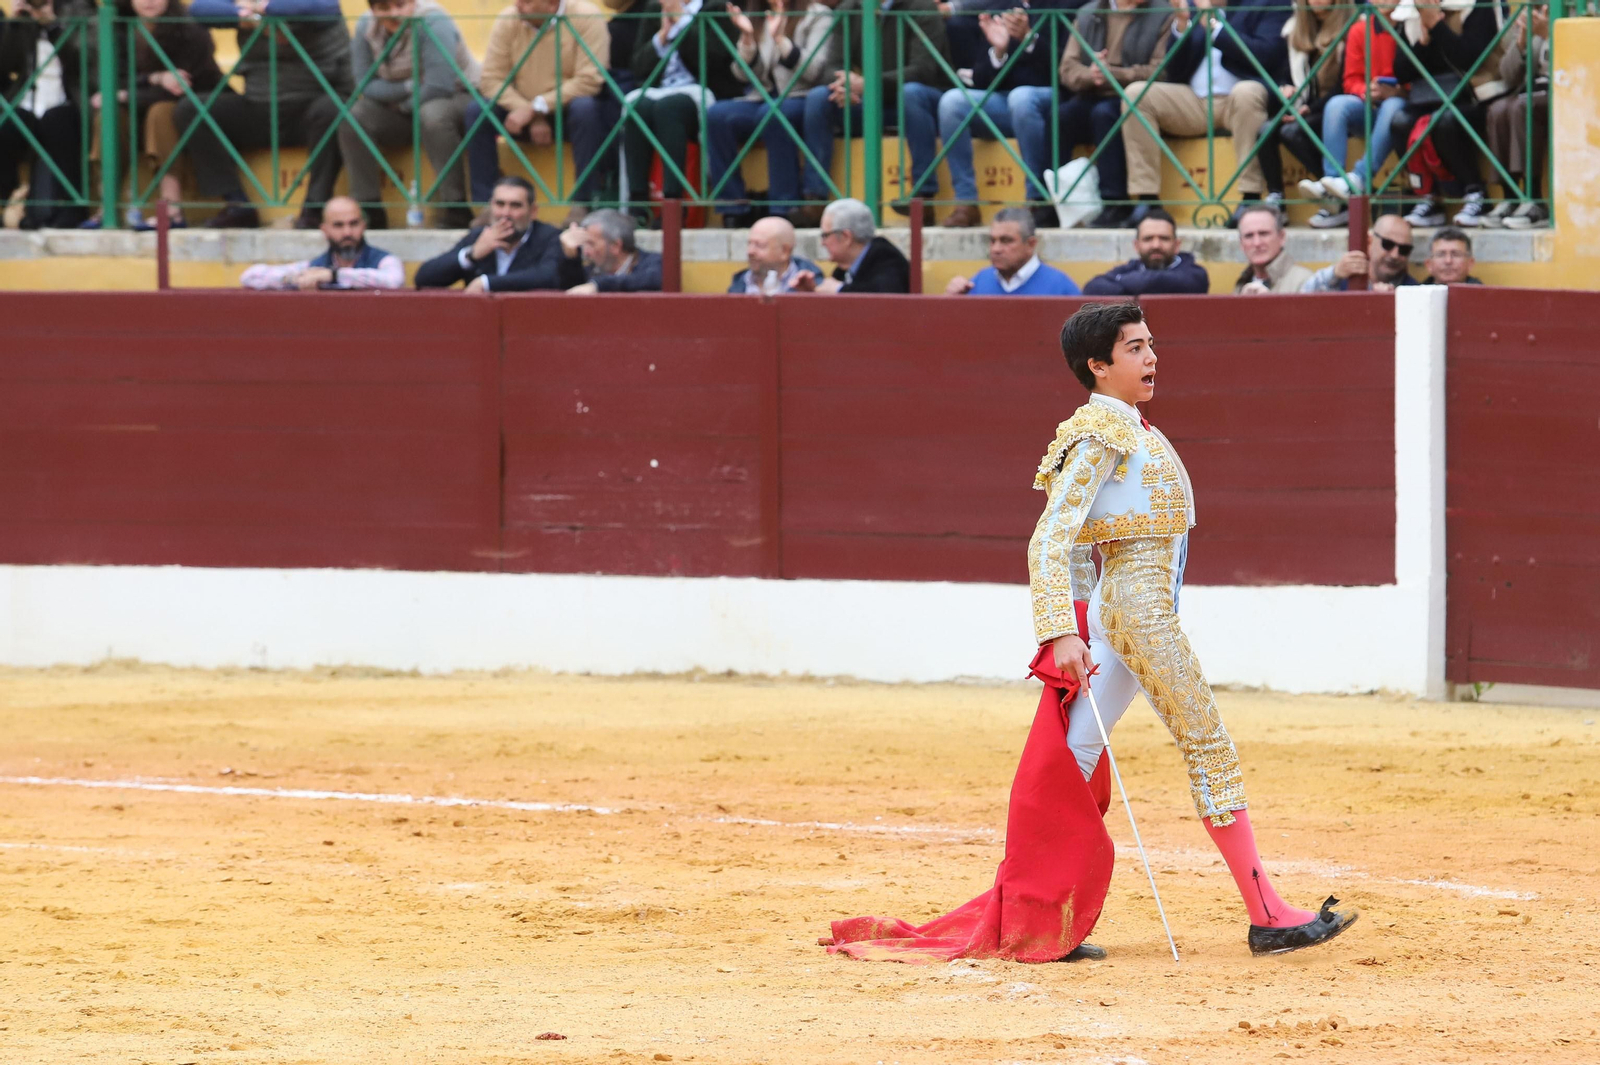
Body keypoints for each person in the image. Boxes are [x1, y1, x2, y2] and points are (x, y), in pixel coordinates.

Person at [1031, 300, 1358, 955]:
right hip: (1142, 614)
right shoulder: (1102, 434)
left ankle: (1043, 917)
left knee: (1078, 753)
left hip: (1128, 611)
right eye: (1134, 348)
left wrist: (1086, 618)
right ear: (1098, 365)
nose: (1151, 357)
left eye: (1151, 344)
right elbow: (1051, 540)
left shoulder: (1123, 427)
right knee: (1208, 746)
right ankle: (1268, 913)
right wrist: (1061, 629)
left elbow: (1075, 545)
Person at [181, 0, 352, 229]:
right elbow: (198, 10)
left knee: (333, 109)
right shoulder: (245, 9)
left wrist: (264, 10)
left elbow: (319, 8)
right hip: (259, 107)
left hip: (311, 107)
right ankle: (237, 205)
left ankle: (315, 207)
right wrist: (245, 16)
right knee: (192, 110)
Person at [1120, 0, 1289, 229]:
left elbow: (1265, 55)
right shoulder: (1193, 7)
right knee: (1136, 94)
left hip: (1239, 102)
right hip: (1195, 101)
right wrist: (1181, 25)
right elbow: (1174, 71)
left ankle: (1250, 197)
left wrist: (1213, 25)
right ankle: (1147, 198)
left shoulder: (1265, 3)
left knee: (1246, 92)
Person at [792, 0, 947, 226]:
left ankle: (923, 197)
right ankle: (815, 199)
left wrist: (869, 84)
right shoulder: (849, 8)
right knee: (818, 97)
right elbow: (831, 66)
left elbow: (923, 70)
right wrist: (844, 85)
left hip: (920, 101)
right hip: (869, 101)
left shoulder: (922, 6)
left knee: (911, 93)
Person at [935, 0, 1079, 228]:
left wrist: (1029, 40)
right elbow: (980, 79)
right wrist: (998, 52)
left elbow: (1068, 70)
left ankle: (1037, 199)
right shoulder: (1001, 7)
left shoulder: (1067, 6)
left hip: (1052, 97)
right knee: (952, 102)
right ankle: (966, 202)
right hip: (1004, 102)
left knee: (1021, 98)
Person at [338, 0, 478, 230]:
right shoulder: (365, 26)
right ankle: (369, 209)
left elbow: (438, 85)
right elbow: (364, 84)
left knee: (432, 115)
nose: (394, 13)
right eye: (384, 8)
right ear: (373, 10)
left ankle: (456, 207)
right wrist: (409, 87)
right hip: (401, 103)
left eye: (400, 4)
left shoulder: (433, 21)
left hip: (456, 96)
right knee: (353, 117)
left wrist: (402, 105)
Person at [81, 0, 221, 230]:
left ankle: (171, 208)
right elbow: (111, 80)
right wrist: (155, 79)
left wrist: (125, 94)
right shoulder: (117, 28)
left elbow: (183, 88)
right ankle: (107, 207)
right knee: (109, 116)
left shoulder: (190, 29)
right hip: (137, 109)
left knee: (161, 112)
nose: (149, 1)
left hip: (189, 110)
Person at [1035, 0, 1174, 229]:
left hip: (1134, 95)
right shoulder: (1088, 13)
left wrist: (1116, 74)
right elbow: (1067, 68)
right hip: (1092, 91)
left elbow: (1162, 70)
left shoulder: (1163, 13)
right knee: (1060, 118)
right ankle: (1054, 200)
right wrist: (1092, 74)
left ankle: (1115, 202)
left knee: (1105, 115)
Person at [468, 0, 610, 210]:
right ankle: (486, 206)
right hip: (520, 111)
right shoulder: (509, 19)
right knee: (478, 111)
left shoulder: (586, 17)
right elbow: (490, 80)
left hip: (566, 111)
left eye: (527, 1)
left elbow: (590, 80)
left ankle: (583, 203)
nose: (517, 5)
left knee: (586, 109)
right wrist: (530, 113)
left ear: (552, 4)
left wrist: (537, 107)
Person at [704, 0, 835, 227]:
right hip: (762, 97)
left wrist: (781, 40)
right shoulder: (759, 16)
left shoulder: (818, 15)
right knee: (717, 115)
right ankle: (733, 206)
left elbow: (814, 71)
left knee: (773, 114)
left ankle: (784, 206)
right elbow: (742, 75)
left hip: (801, 96)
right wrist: (747, 39)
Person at [1389, 0, 1511, 229]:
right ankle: (1427, 197)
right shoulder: (1412, 11)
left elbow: (1471, 59)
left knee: (1445, 121)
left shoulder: (1479, 5)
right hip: (1429, 96)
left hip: (1476, 95)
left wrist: (1437, 26)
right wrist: (1423, 42)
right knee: (1400, 122)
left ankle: (1476, 194)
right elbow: (1401, 72)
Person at [0, 0, 93, 228]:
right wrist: (15, 24)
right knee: (6, 129)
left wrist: (53, 25)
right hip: (27, 99)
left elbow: (81, 59)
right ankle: (6, 202)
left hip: (66, 98)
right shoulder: (23, 17)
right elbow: (6, 65)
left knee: (58, 125)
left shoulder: (78, 8)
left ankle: (72, 208)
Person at [414, 175, 565, 290]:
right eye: (500, 204)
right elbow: (423, 278)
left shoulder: (549, 237)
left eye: (515, 205)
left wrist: (486, 283)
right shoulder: (479, 236)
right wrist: (471, 255)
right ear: (491, 206)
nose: (506, 213)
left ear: (533, 211)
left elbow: (548, 276)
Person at [1268, 0, 1344, 228]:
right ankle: (1276, 199)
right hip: (1303, 105)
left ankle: (1337, 193)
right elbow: (1283, 73)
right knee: (1265, 130)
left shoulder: (1352, 27)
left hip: (1332, 107)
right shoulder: (1294, 29)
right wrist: (1286, 88)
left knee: (1292, 132)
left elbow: (1344, 85)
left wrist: (1311, 108)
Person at [240, 196, 404, 289]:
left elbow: (393, 280)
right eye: (338, 225)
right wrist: (293, 279)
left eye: (353, 224)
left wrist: (334, 275)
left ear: (363, 226)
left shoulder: (384, 260)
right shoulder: (315, 267)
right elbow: (250, 276)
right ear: (325, 230)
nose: (347, 232)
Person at [1481, 3, 1548, 229]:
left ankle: (1534, 198)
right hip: (1530, 91)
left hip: (1562, 88)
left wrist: (1548, 35)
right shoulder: (1524, 14)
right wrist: (1521, 40)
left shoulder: (1573, 10)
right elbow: (1508, 76)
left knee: (1522, 107)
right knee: (1498, 110)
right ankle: (1510, 197)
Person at [945, 206, 1081, 294]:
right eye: (992, 241)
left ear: (1031, 244)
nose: (996, 249)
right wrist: (951, 301)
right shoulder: (978, 283)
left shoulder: (1061, 288)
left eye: (1006, 241)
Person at [790, 195, 909, 292]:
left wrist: (840, 290)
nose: (822, 243)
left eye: (825, 235)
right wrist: (813, 292)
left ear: (846, 237)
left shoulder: (886, 259)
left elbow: (884, 299)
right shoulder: (843, 269)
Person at [1081, 207, 1209, 294]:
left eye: (1164, 238)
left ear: (1176, 245)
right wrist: (1136, 282)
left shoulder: (1195, 273)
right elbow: (1092, 288)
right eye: (1148, 239)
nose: (1156, 245)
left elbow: (1158, 281)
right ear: (1136, 245)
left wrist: (1126, 282)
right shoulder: (1130, 268)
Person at [1300, 211, 1417, 291]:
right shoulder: (1342, 278)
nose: (1395, 255)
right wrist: (1335, 274)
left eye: (1404, 250)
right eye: (1388, 244)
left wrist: (1390, 302)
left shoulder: (1413, 291)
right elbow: (1303, 299)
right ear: (1369, 242)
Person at [555, 206, 664, 291]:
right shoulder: (592, 269)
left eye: (591, 244)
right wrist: (571, 258)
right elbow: (571, 291)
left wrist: (598, 286)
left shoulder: (654, 263)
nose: (586, 252)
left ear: (615, 246)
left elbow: (650, 280)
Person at [728, 214, 821, 292]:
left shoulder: (812, 285)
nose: (750, 251)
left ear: (785, 251)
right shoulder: (739, 284)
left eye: (760, 245)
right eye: (749, 244)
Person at [1233, 203, 1310, 293]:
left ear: (1281, 237)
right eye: (1249, 236)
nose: (1257, 243)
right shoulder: (1242, 284)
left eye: (1263, 234)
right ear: (1241, 243)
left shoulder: (1305, 283)